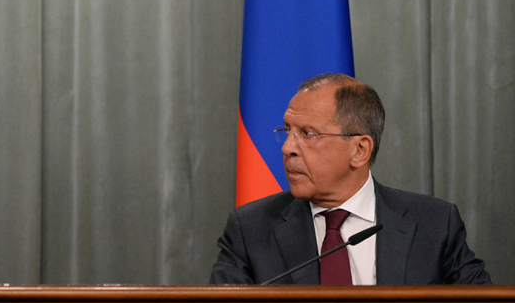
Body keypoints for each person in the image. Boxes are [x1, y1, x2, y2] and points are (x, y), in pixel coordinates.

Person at [210, 73, 491, 285]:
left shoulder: (435, 224)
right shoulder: (250, 230)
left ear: (359, 150)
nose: (287, 147)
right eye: (287, 131)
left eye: (307, 133)